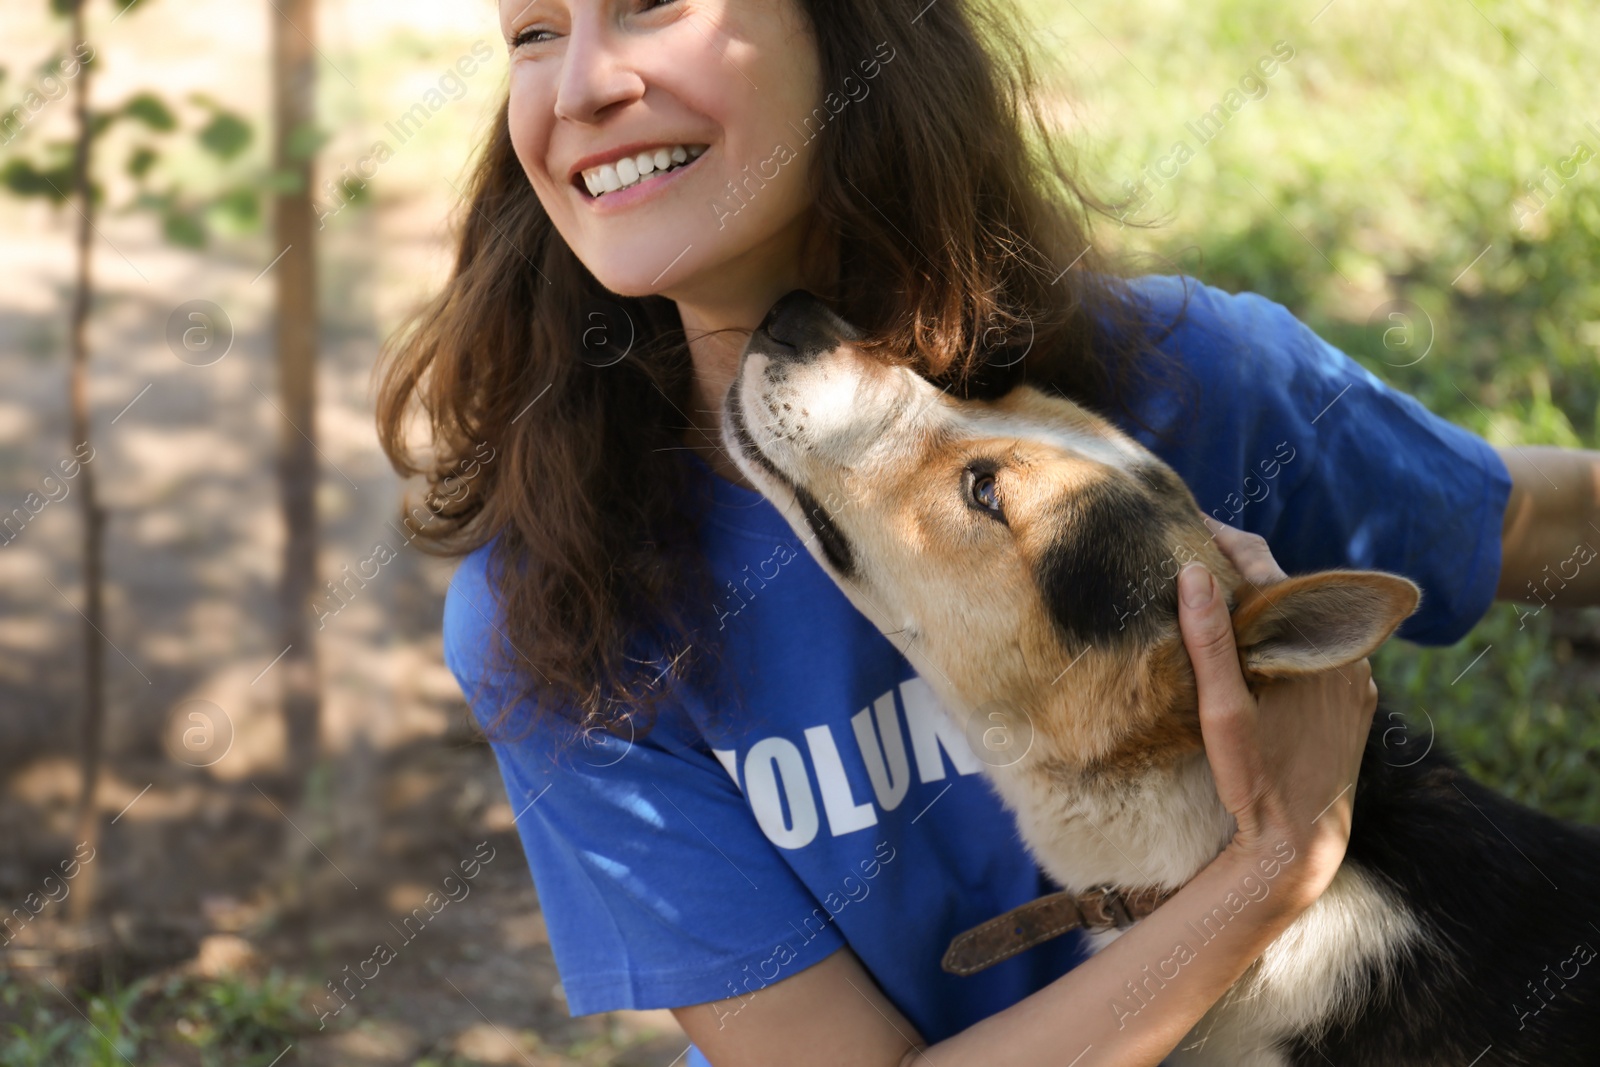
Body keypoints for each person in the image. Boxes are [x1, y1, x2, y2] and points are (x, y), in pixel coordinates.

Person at [374, 0, 1600, 1063]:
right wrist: (1271, 869)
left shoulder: (1180, 378)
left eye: (654, 5)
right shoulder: (561, 613)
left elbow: (1536, 521)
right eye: (532, 33)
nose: (584, 82)